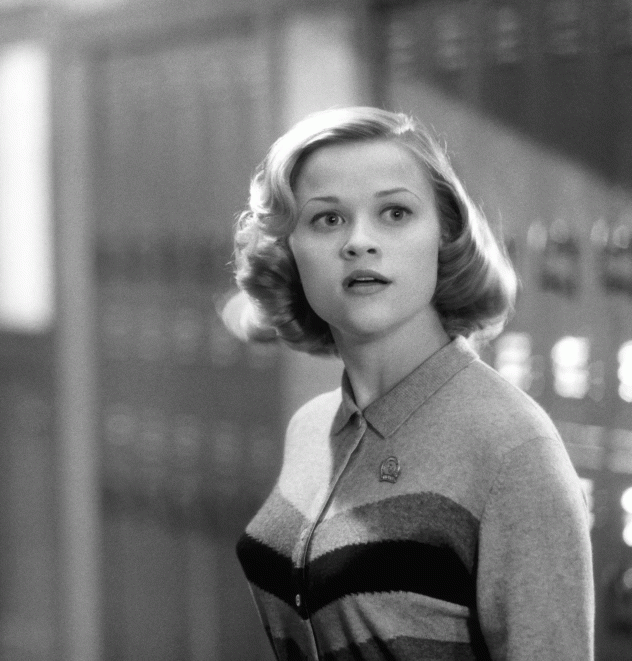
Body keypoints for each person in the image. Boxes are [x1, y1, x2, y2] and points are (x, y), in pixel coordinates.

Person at [227, 107, 593, 660]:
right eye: (328, 219)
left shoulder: (511, 449)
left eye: (395, 213)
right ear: (289, 248)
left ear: (444, 236)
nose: (359, 242)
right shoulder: (309, 428)